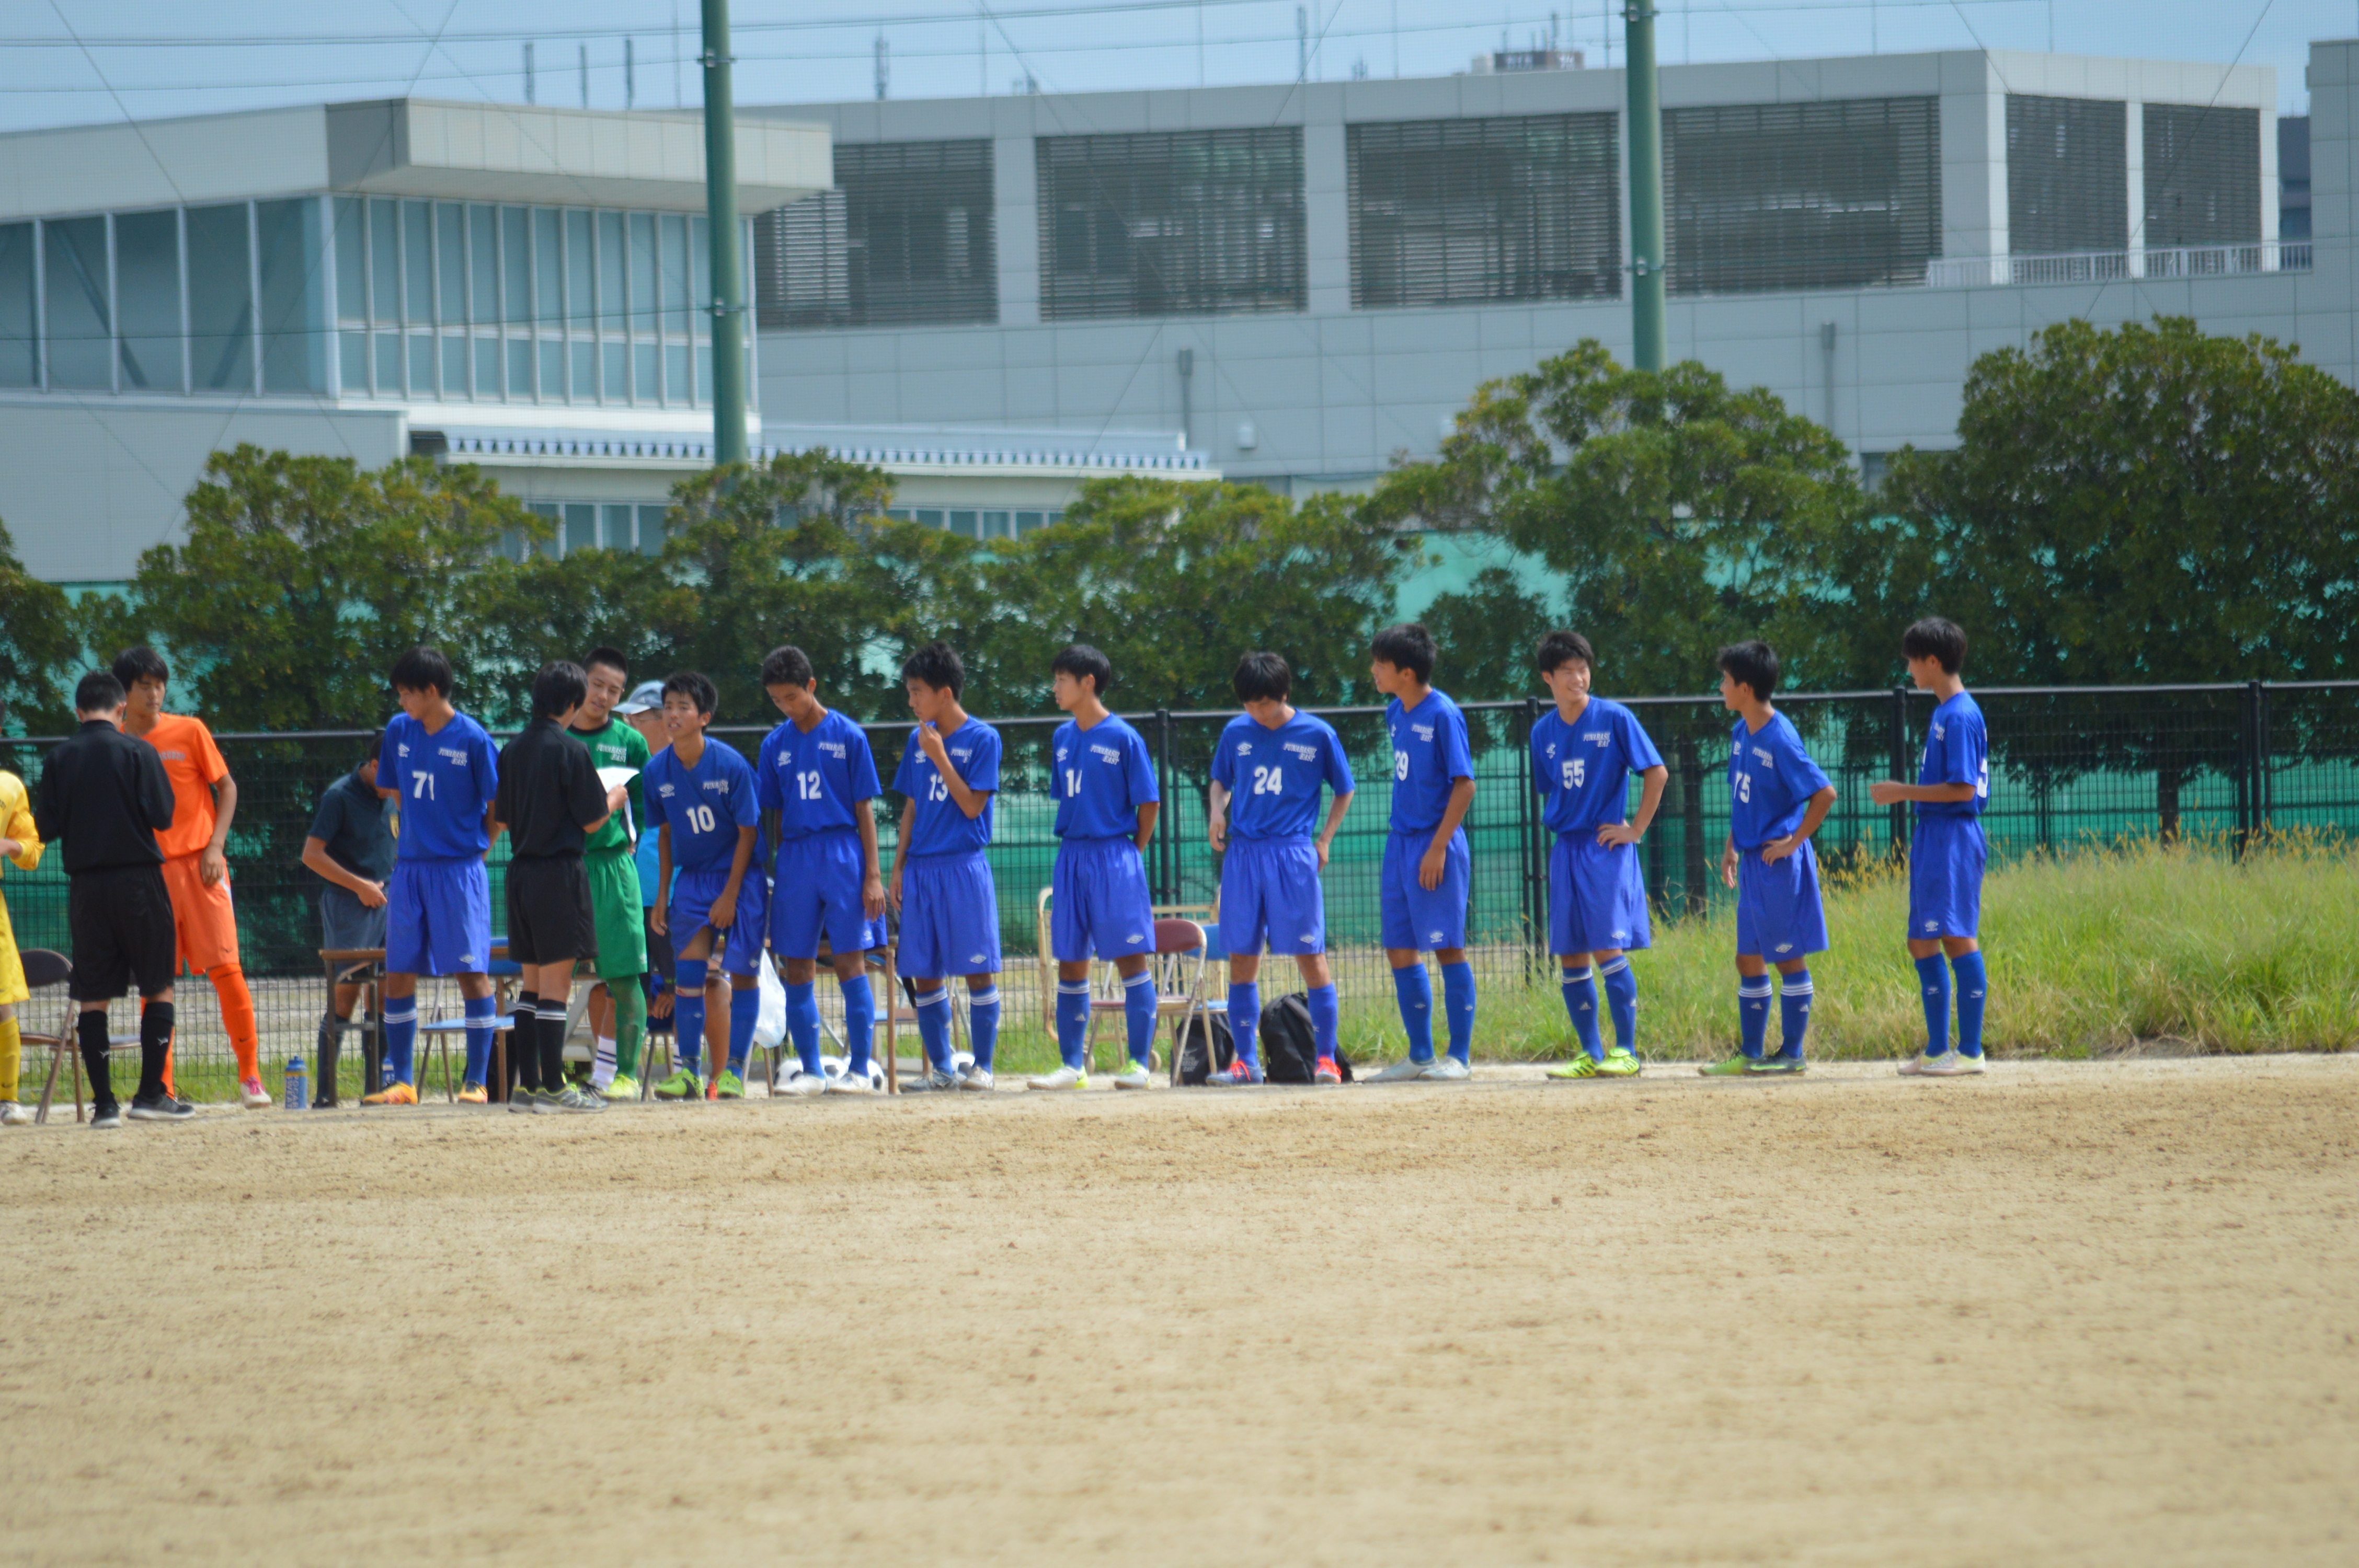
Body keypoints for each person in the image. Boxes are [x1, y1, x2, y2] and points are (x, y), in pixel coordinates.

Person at [110, 647, 270, 1109]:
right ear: (125, 690)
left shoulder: (190, 729)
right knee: (156, 981)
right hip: (149, 874)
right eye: (145, 685)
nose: (156, 692)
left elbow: (227, 787)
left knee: (227, 969)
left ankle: (251, 1077)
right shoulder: (117, 742)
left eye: (160, 684)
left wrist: (216, 846)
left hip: (202, 868)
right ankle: (161, 1086)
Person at [33, 672, 189, 1127]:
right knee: (158, 985)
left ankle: (104, 1106)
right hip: (139, 880)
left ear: (78, 712)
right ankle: (150, 1096)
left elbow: (45, 828)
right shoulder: (140, 751)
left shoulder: (59, 758)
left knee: (93, 996)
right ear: (122, 709)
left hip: (87, 887)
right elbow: (162, 815)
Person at [1204, 651, 1355, 1086]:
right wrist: (1218, 811)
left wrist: (1324, 839)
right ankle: (1246, 1063)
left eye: (1264, 704)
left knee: (1311, 955)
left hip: (1292, 853)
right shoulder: (1236, 732)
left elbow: (1343, 789)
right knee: (1242, 959)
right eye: (1249, 704)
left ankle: (1325, 1060)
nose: (1257, 712)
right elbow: (1221, 781)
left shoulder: (1317, 733)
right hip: (1244, 854)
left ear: (1284, 694)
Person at [363, 647, 501, 1106]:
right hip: (410, 872)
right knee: (399, 973)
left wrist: (480, 846)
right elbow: (396, 788)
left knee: (471, 974)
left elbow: (499, 806)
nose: (401, 702)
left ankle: (476, 1082)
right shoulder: (400, 731)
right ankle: (402, 1082)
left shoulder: (474, 739)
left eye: (407, 693)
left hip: (459, 872)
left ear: (431, 691)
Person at [1529, 632, 1669, 1080]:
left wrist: (1636, 829)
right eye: (1568, 670)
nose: (1579, 676)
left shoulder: (1614, 717)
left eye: (1583, 667)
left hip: (1605, 847)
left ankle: (1626, 1050)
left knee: (1608, 948)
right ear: (1548, 677)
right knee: (1571, 953)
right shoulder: (1542, 732)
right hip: (1565, 848)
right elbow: (1550, 789)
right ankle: (1590, 1053)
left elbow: (1657, 772)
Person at [494, 661, 626, 1114]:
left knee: (530, 988)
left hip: (522, 873)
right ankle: (554, 1086)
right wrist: (614, 799)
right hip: (559, 874)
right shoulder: (570, 750)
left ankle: (527, 1087)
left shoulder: (511, 751)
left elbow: (505, 815)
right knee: (555, 988)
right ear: (571, 704)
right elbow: (593, 820)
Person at [757, 645, 888, 1097]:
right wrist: (771, 870)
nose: (786, 707)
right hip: (795, 857)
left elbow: (865, 808)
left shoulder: (849, 736)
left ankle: (858, 1068)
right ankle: (812, 1071)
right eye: (777, 700)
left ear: (811, 687)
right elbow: (770, 817)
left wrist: (872, 874)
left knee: (851, 959)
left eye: (792, 697)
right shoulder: (774, 745)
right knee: (798, 964)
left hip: (842, 853)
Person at [1703, 640, 1838, 1077]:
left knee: (1787, 957)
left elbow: (1824, 794)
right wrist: (1731, 846)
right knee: (1748, 958)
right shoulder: (1741, 731)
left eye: (1725, 680)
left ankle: (1793, 1053)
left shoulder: (1780, 737)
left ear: (1744, 687)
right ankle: (1751, 1053)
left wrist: (1795, 842)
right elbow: (1746, 797)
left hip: (1778, 864)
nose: (1720, 687)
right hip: (1752, 861)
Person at [1035, 644, 1161, 1092]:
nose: (1055, 688)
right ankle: (1073, 1066)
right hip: (1071, 855)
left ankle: (1138, 1064)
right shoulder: (1062, 738)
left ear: (1088, 682)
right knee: (1071, 960)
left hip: (1115, 856)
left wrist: (1133, 853)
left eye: (1062, 680)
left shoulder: (1125, 738)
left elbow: (1149, 804)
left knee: (1131, 958)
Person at [1870, 617, 1991, 1077]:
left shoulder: (1959, 715)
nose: (1909, 668)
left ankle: (1972, 1051)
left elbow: (1963, 791)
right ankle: (1939, 1049)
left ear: (1933, 662)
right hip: (1933, 836)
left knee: (1957, 935)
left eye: (1913, 660)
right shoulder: (1943, 711)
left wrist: (1905, 791)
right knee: (1921, 940)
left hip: (1953, 837)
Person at [887, 642, 1004, 1092]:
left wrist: (939, 755)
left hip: (963, 867)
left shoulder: (982, 739)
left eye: (918, 691)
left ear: (946, 693)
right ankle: (940, 1067)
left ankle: (984, 1066)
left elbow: (973, 807)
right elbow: (912, 808)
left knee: (978, 968)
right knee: (924, 969)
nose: (912, 701)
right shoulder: (917, 740)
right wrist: (898, 867)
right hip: (921, 869)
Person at [642, 672, 763, 1101]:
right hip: (692, 882)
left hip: (739, 878)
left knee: (743, 974)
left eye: (682, 708)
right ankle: (689, 1071)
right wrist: (662, 895)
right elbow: (666, 833)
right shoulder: (658, 771)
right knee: (689, 973)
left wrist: (731, 894)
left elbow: (748, 833)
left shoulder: (730, 765)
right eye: (668, 707)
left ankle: (731, 1071)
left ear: (704, 717)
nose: (672, 715)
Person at [1367, 624, 1478, 1082]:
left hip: (1436, 844)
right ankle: (1420, 1055)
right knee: (1399, 947)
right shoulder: (1396, 711)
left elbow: (1465, 784)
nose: (1373, 671)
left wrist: (1437, 848)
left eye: (1380, 664)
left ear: (1406, 673)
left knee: (1447, 947)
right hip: (1400, 844)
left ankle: (1461, 1057)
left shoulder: (1443, 714)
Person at [568, 649, 652, 1100]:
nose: (603, 695)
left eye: (614, 690)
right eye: (597, 684)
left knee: (624, 975)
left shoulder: (631, 742)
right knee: (550, 976)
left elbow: (643, 811)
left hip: (613, 869)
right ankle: (544, 1073)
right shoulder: (555, 734)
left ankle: (626, 1075)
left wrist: (628, 846)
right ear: (581, 681)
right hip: (562, 868)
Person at [300, 729, 394, 1106]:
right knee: (346, 995)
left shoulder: (391, 798)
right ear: (374, 766)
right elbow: (311, 854)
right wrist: (359, 886)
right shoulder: (340, 796)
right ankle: (326, 1093)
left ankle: (377, 1089)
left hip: (388, 905)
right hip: (350, 905)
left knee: (386, 996)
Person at [0, 721, 44, 1125]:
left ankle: (8, 1099)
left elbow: (32, 851)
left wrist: (8, 845)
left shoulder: (10, 786)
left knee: (1, 1002)